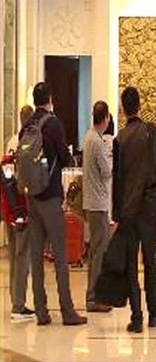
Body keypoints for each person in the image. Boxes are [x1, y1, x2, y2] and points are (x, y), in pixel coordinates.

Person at [20, 82, 87, 326]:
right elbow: (65, 157)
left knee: (36, 255)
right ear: (50, 99)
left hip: (32, 196)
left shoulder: (27, 125)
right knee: (60, 254)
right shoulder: (54, 123)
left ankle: (41, 311)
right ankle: (67, 311)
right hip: (50, 195)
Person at [113, 86, 156, 332]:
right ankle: (154, 314)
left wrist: (116, 213)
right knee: (150, 263)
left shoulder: (120, 138)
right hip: (148, 207)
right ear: (139, 105)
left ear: (123, 109)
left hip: (128, 209)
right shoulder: (151, 132)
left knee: (131, 266)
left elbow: (117, 179)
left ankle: (136, 317)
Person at [2, 105, 35, 321]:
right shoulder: (28, 143)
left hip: (9, 208)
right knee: (23, 256)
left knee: (14, 255)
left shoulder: (11, 141)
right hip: (22, 207)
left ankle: (15, 297)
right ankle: (19, 304)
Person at [82, 101, 113, 313]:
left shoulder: (88, 137)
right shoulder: (97, 141)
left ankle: (94, 294)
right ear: (106, 118)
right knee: (99, 251)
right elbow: (106, 172)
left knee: (96, 250)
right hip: (98, 202)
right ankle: (93, 297)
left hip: (91, 201)